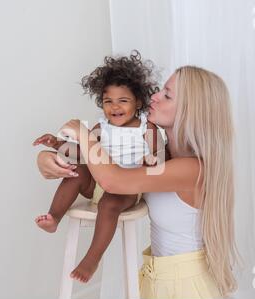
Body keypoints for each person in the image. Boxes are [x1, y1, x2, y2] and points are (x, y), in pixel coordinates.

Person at [37, 65, 238, 299]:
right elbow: (98, 164)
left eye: (167, 94)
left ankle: (93, 258)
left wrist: (84, 134)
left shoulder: (193, 169)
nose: (154, 96)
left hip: (186, 288)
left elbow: (113, 181)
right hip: (156, 282)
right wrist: (46, 156)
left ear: (190, 111)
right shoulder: (166, 158)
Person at [32, 51, 164, 283]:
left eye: (123, 100)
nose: (114, 107)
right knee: (78, 170)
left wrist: (151, 160)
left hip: (126, 187)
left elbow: (160, 159)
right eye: (108, 101)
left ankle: (93, 257)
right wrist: (57, 144)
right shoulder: (101, 127)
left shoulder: (146, 128)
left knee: (110, 203)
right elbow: (83, 153)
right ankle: (54, 217)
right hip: (97, 183)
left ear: (139, 102)